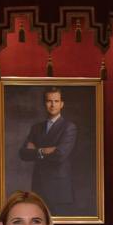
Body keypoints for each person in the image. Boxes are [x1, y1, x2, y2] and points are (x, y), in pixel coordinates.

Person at [19, 87, 80, 217]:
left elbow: (59, 155)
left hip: (58, 190)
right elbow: (23, 153)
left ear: (62, 104)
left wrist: (35, 150)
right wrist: (44, 150)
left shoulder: (69, 127)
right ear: (44, 103)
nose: (52, 105)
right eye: (49, 101)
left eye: (56, 101)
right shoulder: (36, 128)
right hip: (38, 187)